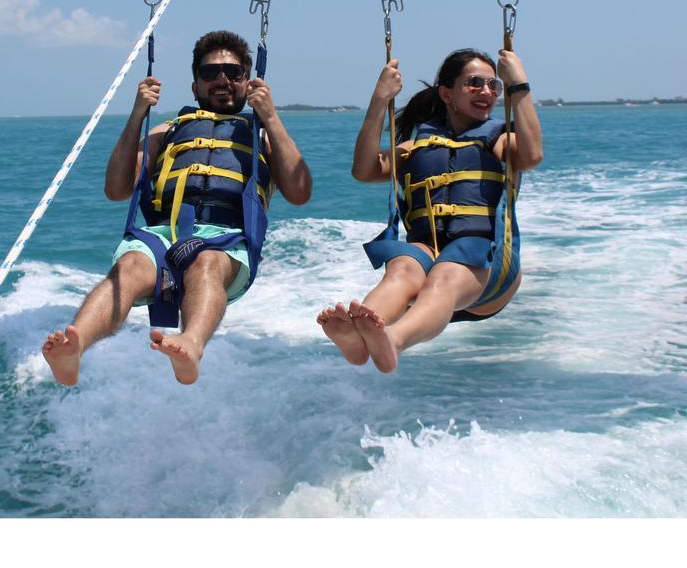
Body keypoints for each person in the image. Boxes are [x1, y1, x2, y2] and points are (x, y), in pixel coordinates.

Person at [43, 30, 312, 386]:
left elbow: (300, 191)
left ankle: (191, 344)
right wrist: (138, 114)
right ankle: (74, 348)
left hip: (225, 239)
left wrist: (272, 117)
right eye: (210, 72)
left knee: (206, 264)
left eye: (234, 73)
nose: (222, 80)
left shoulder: (261, 135)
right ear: (195, 85)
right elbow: (116, 189)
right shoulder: (168, 130)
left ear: (248, 82)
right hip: (162, 233)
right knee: (130, 266)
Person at [317, 47, 542, 373]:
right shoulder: (417, 145)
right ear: (446, 93)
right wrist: (379, 99)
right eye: (475, 82)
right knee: (403, 268)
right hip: (429, 250)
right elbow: (364, 170)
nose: (487, 91)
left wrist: (519, 86)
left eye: (494, 85)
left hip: (488, 266)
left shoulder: (500, 140)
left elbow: (532, 156)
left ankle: (393, 341)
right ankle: (358, 335)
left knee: (444, 274)